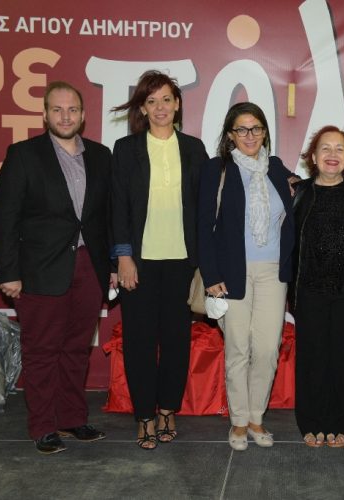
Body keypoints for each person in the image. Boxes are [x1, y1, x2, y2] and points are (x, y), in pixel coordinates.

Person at [0, 81, 113, 454]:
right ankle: (43, 426)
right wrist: (8, 272)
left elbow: (106, 217)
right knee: (42, 350)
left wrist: (110, 264)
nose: (65, 116)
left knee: (76, 349)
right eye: (57, 110)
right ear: (45, 114)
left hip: (88, 267)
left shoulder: (101, 155)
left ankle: (72, 418)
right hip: (40, 268)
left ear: (83, 115)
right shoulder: (24, 155)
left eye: (72, 109)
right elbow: (5, 218)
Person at [111, 70, 209, 449]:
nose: (160, 107)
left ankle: (168, 409)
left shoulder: (194, 149)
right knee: (139, 342)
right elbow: (118, 207)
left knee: (176, 342)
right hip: (140, 263)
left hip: (182, 262)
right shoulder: (126, 149)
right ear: (142, 108)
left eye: (166, 99)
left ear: (177, 104)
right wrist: (123, 257)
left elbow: (205, 208)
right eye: (151, 101)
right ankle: (145, 416)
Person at [198, 102, 295, 451]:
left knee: (267, 349)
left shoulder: (277, 168)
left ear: (265, 132)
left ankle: (257, 417)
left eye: (256, 128)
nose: (250, 135)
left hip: (273, 273)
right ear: (230, 135)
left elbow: (297, 206)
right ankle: (239, 421)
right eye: (242, 129)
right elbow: (203, 227)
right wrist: (211, 275)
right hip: (231, 273)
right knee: (238, 348)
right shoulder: (217, 169)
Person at [290, 126, 344, 448]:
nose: (332, 154)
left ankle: (339, 423)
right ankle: (311, 422)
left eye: (339, 149)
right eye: (325, 148)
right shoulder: (299, 193)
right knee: (312, 359)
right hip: (309, 290)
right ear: (313, 157)